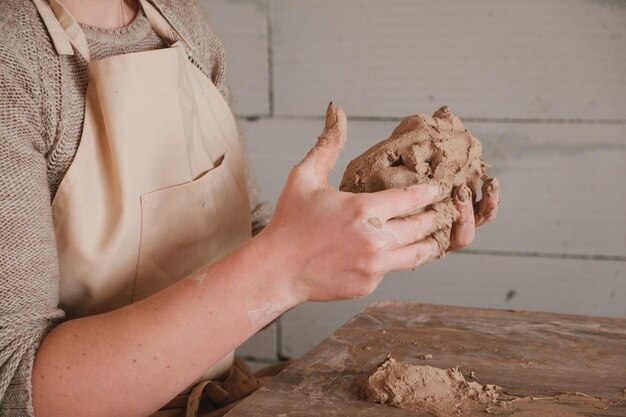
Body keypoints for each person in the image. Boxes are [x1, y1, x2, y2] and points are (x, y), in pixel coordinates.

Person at [0, 0, 500, 416]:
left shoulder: (181, 24)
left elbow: (248, 248)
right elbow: (16, 388)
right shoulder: (14, 50)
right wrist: (287, 265)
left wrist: (374, 221)